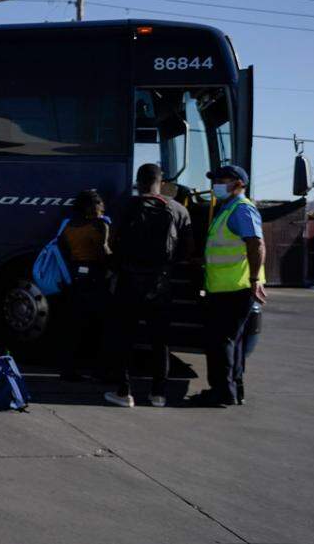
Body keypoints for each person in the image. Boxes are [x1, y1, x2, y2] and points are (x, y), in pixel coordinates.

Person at [103, 164, 193, 408]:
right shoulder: (178, 209)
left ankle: (124, 392)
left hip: (128, 281)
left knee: (125, 338)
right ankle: (158, 394)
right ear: (160, 181)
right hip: (160, 283)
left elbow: (109, 242)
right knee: (159, 340)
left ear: (138, 181)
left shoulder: (124, 205)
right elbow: (186, 250)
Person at [188, 165, 267, 407]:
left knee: (220, 342)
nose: (217, 184)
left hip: (235, 289)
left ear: (238, 184)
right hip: (226, 288)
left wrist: (254, 281)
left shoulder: (242, 209)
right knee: (231, 341)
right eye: (216, 180)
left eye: (222, 180)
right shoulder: (228, 209)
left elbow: (256, 245)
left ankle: (220, 393)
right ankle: (233, 390)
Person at [57, 189, 112, 382]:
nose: (103, 207)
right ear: (92, 206)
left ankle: (68, 370)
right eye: (100, 203)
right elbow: (104, 252)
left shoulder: (69, 226)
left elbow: (63, 248)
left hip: (75, 278)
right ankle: (100, 371)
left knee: (74, 327)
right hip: (95, 278)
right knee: (101, 326)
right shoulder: (99, 225)